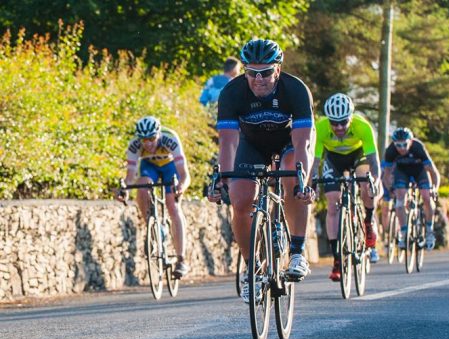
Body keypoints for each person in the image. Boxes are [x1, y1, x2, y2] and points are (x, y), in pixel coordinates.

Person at [208, 39, 316, 303]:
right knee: (240, 199)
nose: (259, 79)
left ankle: (297, 252)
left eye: (266, 72)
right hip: (252, 144)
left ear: (277, 70)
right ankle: (253, 270)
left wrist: (303, 181)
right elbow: (228, 142)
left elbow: (303, 142)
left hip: (290, 143)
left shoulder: (296, 90)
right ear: (244, 71)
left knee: (292, 171)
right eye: (252, 72)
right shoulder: (232, 93)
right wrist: (223, 178)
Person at [312, 93, 381, 281]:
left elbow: (374, 162)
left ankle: (368, 221)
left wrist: (374, 181)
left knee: (365, 180)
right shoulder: (319, 127)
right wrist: (312, 182)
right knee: (333, 202)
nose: (339, 127)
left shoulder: (363, 127)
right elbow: (315, 160)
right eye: (335, 123)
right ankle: (336, 260)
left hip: (358, 156)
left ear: (351, 117)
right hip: (333, 160)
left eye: (344, 122)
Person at [116, 116, 191, 278]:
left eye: (151, 138)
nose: (148, 143)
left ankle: (181, 259)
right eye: (144, 140)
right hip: (150, 167)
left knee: (173, 206)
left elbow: (185, 174)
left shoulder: (170, 139)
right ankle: (154, 227)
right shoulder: (134, 145)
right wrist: (124, 190)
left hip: (171, 167)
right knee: (141, 187)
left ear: (158, 134)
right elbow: (130, 176)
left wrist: (181, 187)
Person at [383, 127, 440, 250]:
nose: (402, 148)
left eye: (405, 144)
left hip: (419, 171)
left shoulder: (418, 147)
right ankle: (403, 233)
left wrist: (435, 188)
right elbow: (386, 175)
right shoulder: (390, 151)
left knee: (426, 196)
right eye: (398, 145)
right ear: (394, 143)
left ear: (411, 141)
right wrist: (390, 189)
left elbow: (433, 172)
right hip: (402, 172)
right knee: (399, 199)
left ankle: (429, 230)